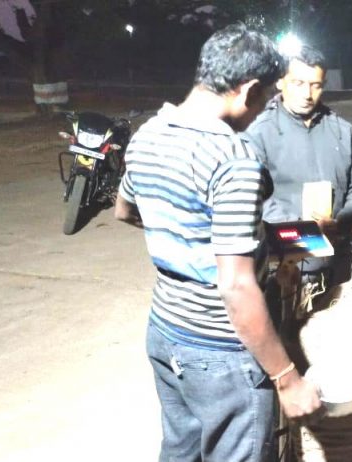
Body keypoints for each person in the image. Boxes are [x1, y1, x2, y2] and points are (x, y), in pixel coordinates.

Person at [114, 24, 322, 461]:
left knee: (181, 451)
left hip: (165, 331)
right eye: (264, 98)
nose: (261, 110)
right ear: (249, 91)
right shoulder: (234, 158)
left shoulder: (149, 133)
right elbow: (235, 285)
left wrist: (194, 242)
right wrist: (287, 378)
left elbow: (126, 210)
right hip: (220, 353)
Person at [243, 45, 352, 288]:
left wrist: (343, 221)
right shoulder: (258, 132)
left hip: (338, 263)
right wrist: (305, 229)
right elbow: (252, 198)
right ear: (280, 81)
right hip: (282, 266)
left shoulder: (343, 130)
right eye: (298, 83)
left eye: (315, 85)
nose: (307, 94)